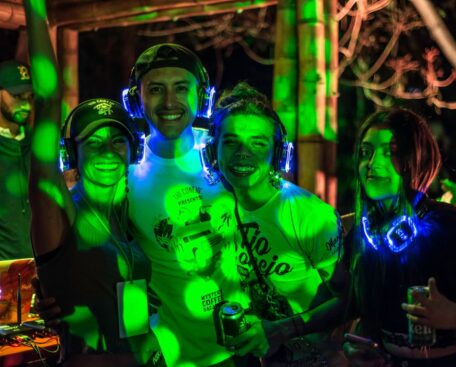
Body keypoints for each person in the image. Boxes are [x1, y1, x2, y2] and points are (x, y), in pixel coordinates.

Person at [24, 2, 156, 366]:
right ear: (73, 154)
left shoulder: (133, 217)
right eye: (92, 143)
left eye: (117, 141)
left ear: (132, 150)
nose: (107, 152)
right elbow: (48, 100)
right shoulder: (61, 208)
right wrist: (35, 8)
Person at [344, 108, 456, 366]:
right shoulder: (363, 235)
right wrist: (361, 348)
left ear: (417, 159)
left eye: (391, 152)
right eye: (366, 152)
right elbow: (356, 315)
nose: (373, 163)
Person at [204, 82, 344, 366]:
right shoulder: (212, 207)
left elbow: (350, 299)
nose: (243, 153)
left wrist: (286, 329)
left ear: (278, 154)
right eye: (231, 142)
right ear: (212, 152)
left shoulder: (308, 215)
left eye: (258, 142)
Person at [125, 43, 246, 367]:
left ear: (201, 96)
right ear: (137, 100)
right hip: (169, 355)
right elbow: (121, 268)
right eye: (155, 90)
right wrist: (140, 340)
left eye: (181, 88)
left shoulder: (226, 156)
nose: (169, 102)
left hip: (243, 349)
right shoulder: (125, 176)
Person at [0, 59, 34, 260]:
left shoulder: (38, 144)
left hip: (40, 271)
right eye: (17, 96)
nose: (26, 104)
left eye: (30, 96)